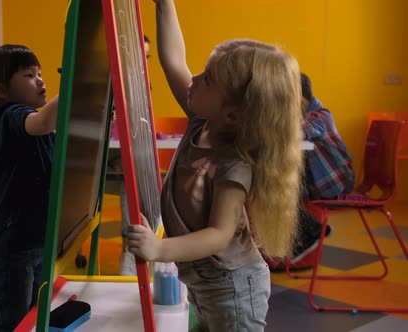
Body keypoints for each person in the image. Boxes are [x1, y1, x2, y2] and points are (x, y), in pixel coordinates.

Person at [127, 1, 304, 330]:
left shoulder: (233, 163)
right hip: (205, 284)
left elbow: (219, 234)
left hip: (233, 292)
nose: (193, 77)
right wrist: (165, 5)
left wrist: (159, 248)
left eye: (207, 79)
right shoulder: (201, 120)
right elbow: (173, 61)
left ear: (233, 114)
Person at [0, 44, 59, 332]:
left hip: (35, 239)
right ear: (1, 90)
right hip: (11, 247)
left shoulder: (32, 120)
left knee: (35, 317)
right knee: (14, 322)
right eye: (29, 75)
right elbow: (43, 122)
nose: (40, 80)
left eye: (40, 73)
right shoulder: (10, 115)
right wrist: (76, 86)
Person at [290, 72, 354, 263]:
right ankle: (311, 230)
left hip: (337, 185)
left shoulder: (321, 116)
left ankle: (312, 231)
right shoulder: (309, 116)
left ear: (301, 102)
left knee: (284, 189)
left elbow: (299, 135)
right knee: (282, 185)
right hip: (322, 184)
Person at [113, 34, 151, 276]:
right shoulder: (104, 84)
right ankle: (131, 249)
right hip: (98, 167)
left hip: (121, 164)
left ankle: (133, 248)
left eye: (147, 58)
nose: (144, 64)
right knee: (132, 177)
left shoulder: (139, 87)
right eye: (140, 57)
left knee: (134, 175)